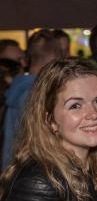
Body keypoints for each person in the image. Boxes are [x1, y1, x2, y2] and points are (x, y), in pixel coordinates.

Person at [0, 58, 97, 200]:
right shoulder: (38, 182)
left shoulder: (94, 167)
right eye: (75, 106)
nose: (93, 114)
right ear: (50, 121)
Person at [1, 29, 63, 169]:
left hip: (14, 171)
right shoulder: (38, 93)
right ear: (55, 56)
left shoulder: (18, 87)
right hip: (32, 173)